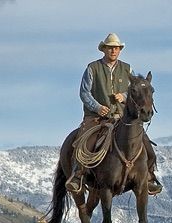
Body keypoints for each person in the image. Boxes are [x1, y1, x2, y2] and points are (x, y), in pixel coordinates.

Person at [65, 33, 162, 195]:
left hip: (120, 116)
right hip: (95, 117)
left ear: (120, 50)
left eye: (116, 48)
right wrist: (97, 107)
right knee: (85, 140)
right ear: (104, 49)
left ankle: (150, 176)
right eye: (110, 48)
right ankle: (78, 174)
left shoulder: (127, 68)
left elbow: (135, 91)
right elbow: (84, 92)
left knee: (144, 142)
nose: (113, 51)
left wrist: (123, 96)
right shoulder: (92, 68)